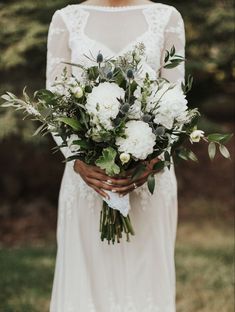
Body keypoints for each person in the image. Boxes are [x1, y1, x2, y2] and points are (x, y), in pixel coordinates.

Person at [46, 0, 185, 311]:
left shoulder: (166, 17)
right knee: (88, 284)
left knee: (145, 278)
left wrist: (152, 162)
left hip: (149, 179)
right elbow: (55, 104)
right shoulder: (66, 20)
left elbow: (177, 103)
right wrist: (79, 162)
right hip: (88, 181)